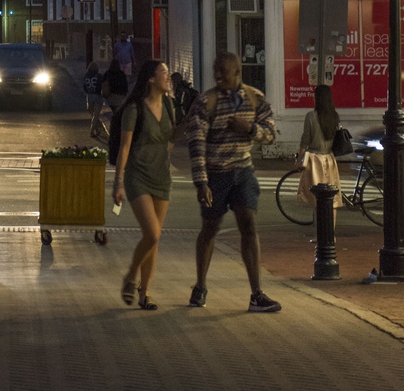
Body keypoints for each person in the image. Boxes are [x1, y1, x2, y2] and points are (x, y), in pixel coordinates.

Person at [186, 51, 281, 313]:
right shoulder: (206, 102)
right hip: (216, 173)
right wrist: (202, 183)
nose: (217, 76)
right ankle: (200, 285)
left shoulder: (255, 98)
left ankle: (257, 293)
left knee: (249, 225)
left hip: (243, 171)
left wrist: (250, 129)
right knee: (211, 227)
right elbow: (197, 145)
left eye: (223, 72)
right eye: (215, 71)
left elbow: (271, 133)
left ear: (237, 72)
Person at [112, 59, 176, 310]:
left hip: (162, 176)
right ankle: (130, 275)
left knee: (153, 240)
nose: (168, 77)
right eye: (164, 73)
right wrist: (118, 183)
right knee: (152, 233)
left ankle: (144, 293)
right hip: (137, 176)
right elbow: (124, 147)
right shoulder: (135, 109)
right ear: (151, 78)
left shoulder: (170, 105)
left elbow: (170, 138)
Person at [295, 84, 343, 227]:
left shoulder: (310, 116)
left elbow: (305, 141)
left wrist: (299, 160)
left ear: (317, 98)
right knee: (331, 200)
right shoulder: (335, 116)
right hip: (329, 159)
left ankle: (319, 235)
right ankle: (331, 234)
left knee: (317, 200)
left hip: (315, 161)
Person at [82, 61, 106, 139]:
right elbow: (101, 86)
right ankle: (92, 130)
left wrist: (88, 92)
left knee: (92, 114)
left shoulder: (86, 76)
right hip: (98, 96)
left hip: (89, 96)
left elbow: (84, 87)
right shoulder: (99, 76)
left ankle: (96, 129)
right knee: (96, 114)